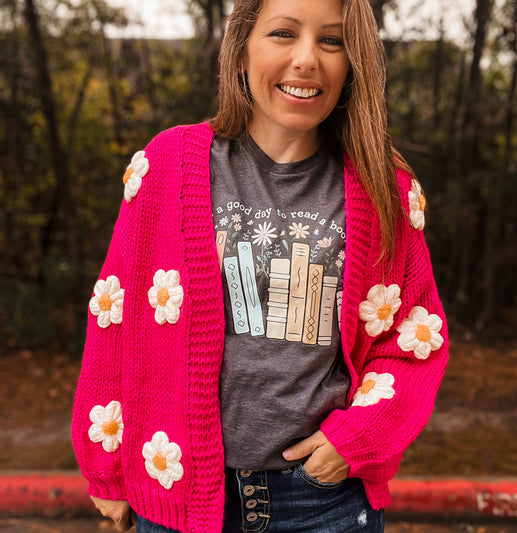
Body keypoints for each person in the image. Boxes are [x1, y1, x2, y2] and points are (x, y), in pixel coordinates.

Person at [72, 0, 449, 531]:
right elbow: (116, 322)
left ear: (353, 64)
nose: (306, 59)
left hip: (322, 500)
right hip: (178, 485)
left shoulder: (384, 190)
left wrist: (356, 438)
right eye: (282, 33)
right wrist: (106, 469)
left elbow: (413, 340)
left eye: (332, 40)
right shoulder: (166, 166)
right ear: (242, 51)